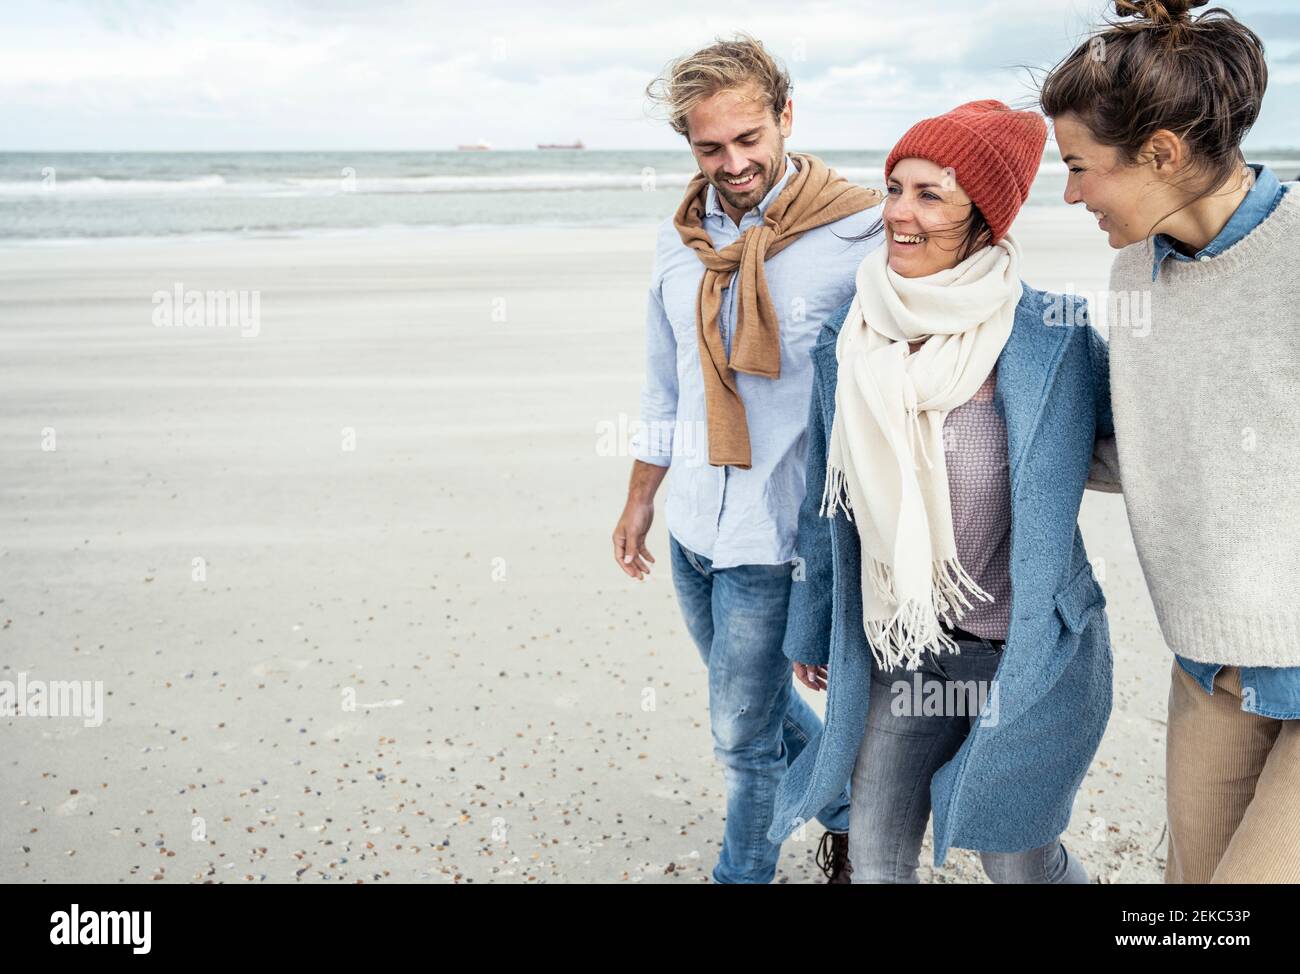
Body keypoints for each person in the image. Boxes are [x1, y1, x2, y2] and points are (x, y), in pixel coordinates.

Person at [770, 100, 1115, 883]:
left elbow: (1146, 447)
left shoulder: (1052, 333)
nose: (899, 213)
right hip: (907, 652)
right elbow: (828, 502)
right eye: (894, 188)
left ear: (982, 215)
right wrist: (811, 626)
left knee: (1017, 862)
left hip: (1024, 651)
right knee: (877, 860)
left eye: (930, 193)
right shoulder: (851, 336)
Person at [610, 34, 885, 883]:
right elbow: (666, 387)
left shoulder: (861, 232)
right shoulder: (678, 242)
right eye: (709, 147)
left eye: (748, 140)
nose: (732, 163)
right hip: (694, 523)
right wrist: (638, 499)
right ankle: (845, 810)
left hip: (777, 536)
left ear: (786, 118)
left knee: (740, 736)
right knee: (758, 709)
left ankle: (744, 873)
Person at [1041, 0, 1300, 882]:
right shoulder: (1134, 268)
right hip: (1209, 660)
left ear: (1160, 152)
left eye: (1080, 167)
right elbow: (1144, 444)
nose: (1071, 193)